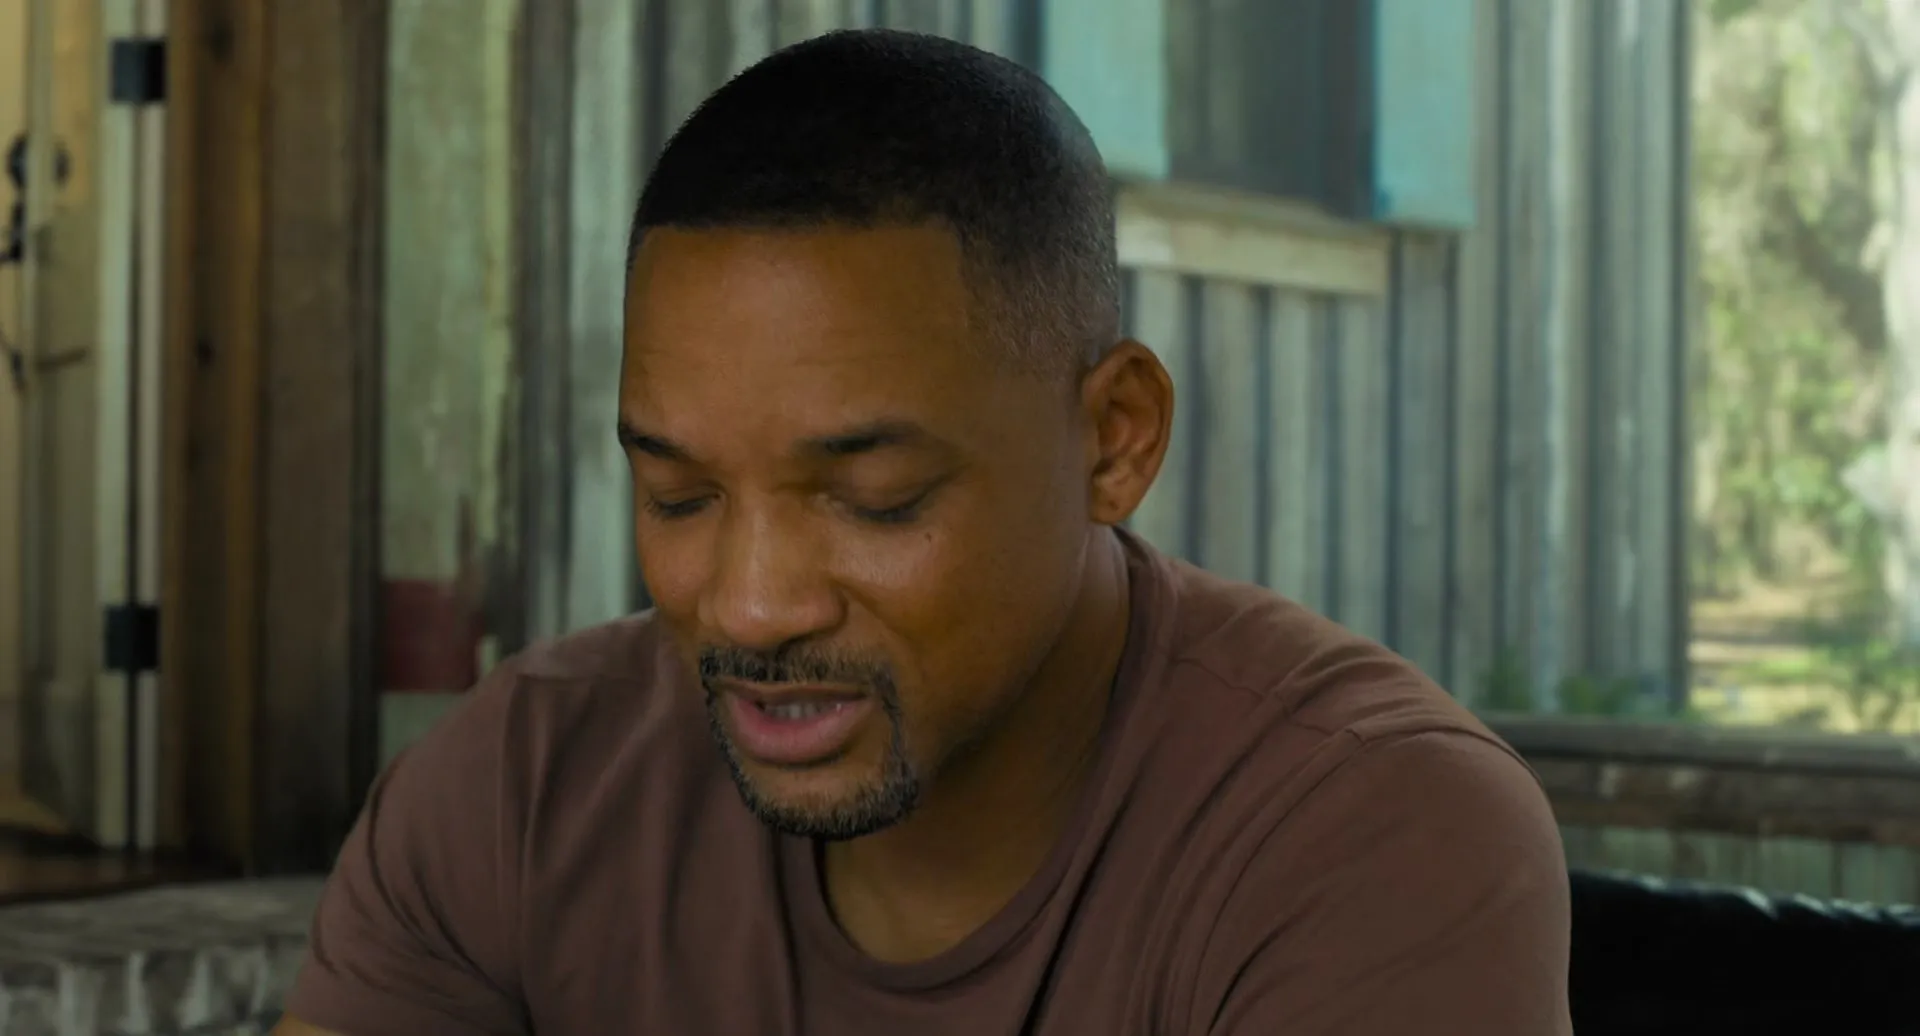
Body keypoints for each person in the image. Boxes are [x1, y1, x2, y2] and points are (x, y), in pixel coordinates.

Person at [275, 28, 1571, 1036]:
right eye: (681, 497)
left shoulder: (1365, 834)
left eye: (876, 497)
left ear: (1112, 439)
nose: (750, 605)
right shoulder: (525, 790)